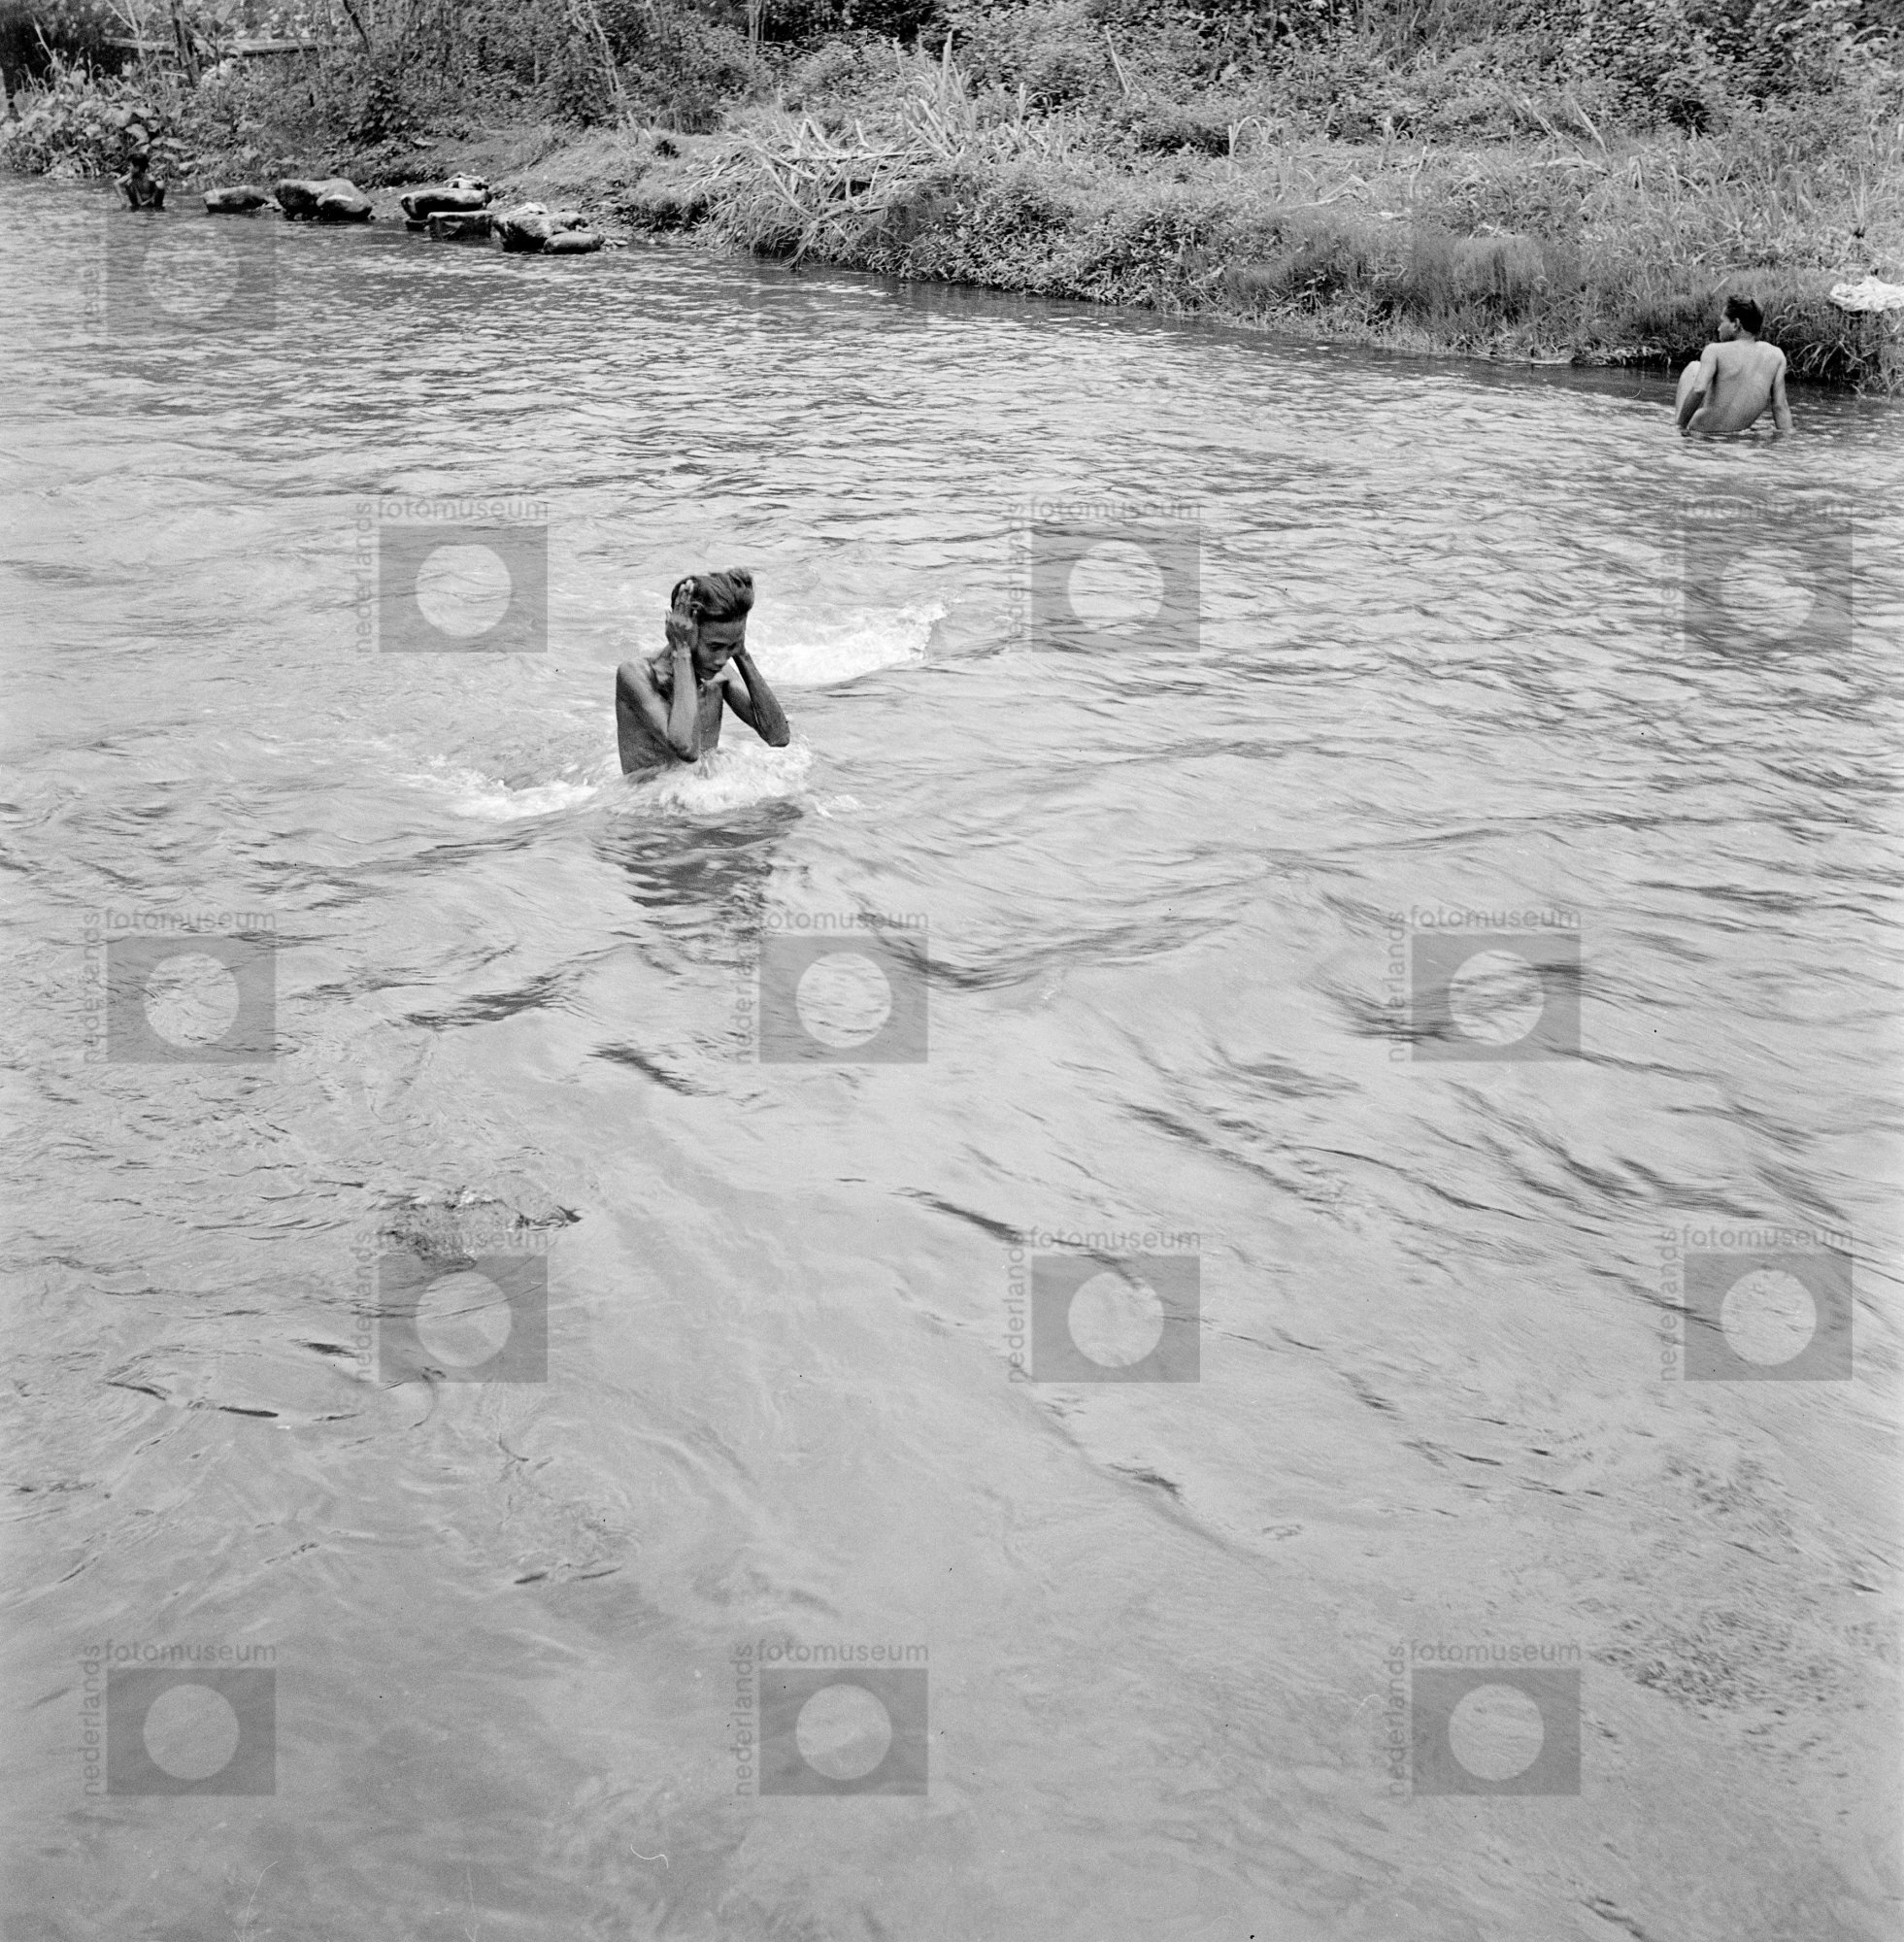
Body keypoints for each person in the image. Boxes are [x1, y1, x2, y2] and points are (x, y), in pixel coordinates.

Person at [615, 569, 790, 776]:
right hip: (649, 795)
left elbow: (778, 737)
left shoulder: (721, 673)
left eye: (730, 647)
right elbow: (687, 749)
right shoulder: (638, 675)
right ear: (685, 632)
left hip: (703, 791)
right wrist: (681, 649)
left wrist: (741, 652)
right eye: (714, 647)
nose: (722, 659)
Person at [1676, 296, 1792, 436]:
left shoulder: (1715, 350)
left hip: (1700, 430)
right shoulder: (1776, 356)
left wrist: (1681, 428)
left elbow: (1698, 390)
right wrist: (1787, 438)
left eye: (1722, 321)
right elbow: (1780, 407)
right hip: (1736, 436)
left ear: (1736, 324)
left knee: (1694, 367)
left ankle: (1677, 425)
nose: (1719, 328)